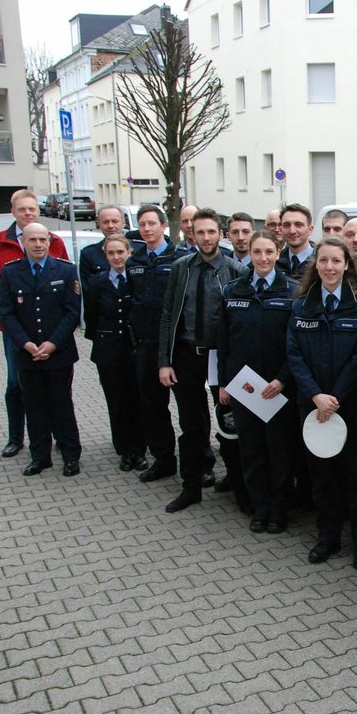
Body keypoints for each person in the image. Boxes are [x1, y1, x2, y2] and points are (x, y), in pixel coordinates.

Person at [288, 238, 357, 565]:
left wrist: (335, 397)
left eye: (336, 261)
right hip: (313, 407)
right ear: (316, 265)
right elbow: (294, 355)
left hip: (350, 407)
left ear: (346, 265)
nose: (329, 267)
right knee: (323, 478)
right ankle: (328, 538)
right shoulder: (301, 306)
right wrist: (315, 395)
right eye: (323, 261)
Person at [158, 208, 246, 513]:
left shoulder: (235, 270)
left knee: (229, 423)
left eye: (211, 232)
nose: (206, 238)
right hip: (186, 356)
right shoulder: (181, 267)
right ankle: (191, 487)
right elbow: (168, 314)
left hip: (220, 358)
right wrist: (164, 361)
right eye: (200, 232)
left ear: (220, 234)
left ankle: (238, 486)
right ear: (191, 235)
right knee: (191, 425)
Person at [217, 231, 297, 533]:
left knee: (279, 451)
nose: (263, 258)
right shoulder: (233, 291)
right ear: (249, 254)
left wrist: (282, 379)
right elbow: (223, 341)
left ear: (278, 252)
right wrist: (224, 382)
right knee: (251, 449)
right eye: (257, 252)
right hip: (244, 388)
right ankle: (260, 507)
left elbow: (296, 344)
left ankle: (279, 509)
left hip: (277, 387)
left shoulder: (292, 291)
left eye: (269, 252)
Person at [0, 189, 69, 458]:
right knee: (15, 383)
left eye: (32, 208)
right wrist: (20, 318)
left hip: (50, 329)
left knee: (54, 386)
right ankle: (16, 438)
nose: (28, 213)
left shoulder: (53, 240)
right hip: (16, 330)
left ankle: (58, 437)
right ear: (13, 212)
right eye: (22, 209)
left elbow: (64, 279)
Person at [0, 222, 82, 477]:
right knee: (34, 406)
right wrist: (25, 343)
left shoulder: (66, 270)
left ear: (49, 241)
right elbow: (7, 313)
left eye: (42, 240)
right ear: (23, 242)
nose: (38, 244)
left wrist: (53, 343)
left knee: (61, 404)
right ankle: (40, 457)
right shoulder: (11, 272)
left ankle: (70, 456)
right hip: (27, 353)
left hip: (59, 352)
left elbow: (72, 312)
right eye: (32, 240)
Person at [124, 205, 191, 486]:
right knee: (152, 406)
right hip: (147, 345)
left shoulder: (181, 258)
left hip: (177, 346)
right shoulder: (134, 261)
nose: (147, 229)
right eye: (142, 224)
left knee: (189, 408)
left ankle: (199, 463)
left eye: (152, 223)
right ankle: (163, 459)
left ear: (163, 226)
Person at [83, 234, 147, 472]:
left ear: (129, 253)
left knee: (137, 400)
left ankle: (140, 449)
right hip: (108, 351)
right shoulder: (97, 283)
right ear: (105, 255)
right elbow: (91, 318)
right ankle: (125, 450)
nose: (117, 257)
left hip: (135, 350)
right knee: (117, 401)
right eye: (111, 253)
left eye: (121, 252)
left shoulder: (138, 279)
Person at [79, 205, 142, 295]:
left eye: (115, 221)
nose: (110, 226)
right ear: (99, 225)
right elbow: (88, 292)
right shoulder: (89, 254)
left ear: (123, 223)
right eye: (105, 222)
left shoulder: (140, 250)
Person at [276, 203, 315, 279]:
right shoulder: (275, 263)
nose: (292, 231)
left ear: (310, 230)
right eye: (287, 225)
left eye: (298, 225)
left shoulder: (321, 263)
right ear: (281, 229)